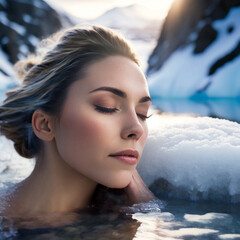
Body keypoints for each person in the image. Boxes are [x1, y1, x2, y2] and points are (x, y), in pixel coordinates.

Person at [0, 25, 154, 226]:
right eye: (106, 107)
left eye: (142, 114)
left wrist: (148, 209)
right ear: (45, 125)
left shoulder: (124, 220)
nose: (137, 128)